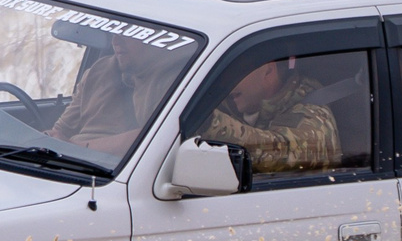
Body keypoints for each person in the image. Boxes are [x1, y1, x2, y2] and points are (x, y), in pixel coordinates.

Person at [200, 57, 342, 173]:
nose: (227, 82)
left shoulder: (313, 116)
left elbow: (280, 154)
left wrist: (210, 122)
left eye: (235, 73)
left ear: (268, 71)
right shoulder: (238, 102)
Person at [49, 34, 177, 156]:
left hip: (118, 171)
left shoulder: (174, 82)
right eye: (114, 33)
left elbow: (154, 137)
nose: (116, 41)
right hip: (70, 162)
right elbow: (60, 130)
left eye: (127, 33)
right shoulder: (98, 70)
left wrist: (75, 148)